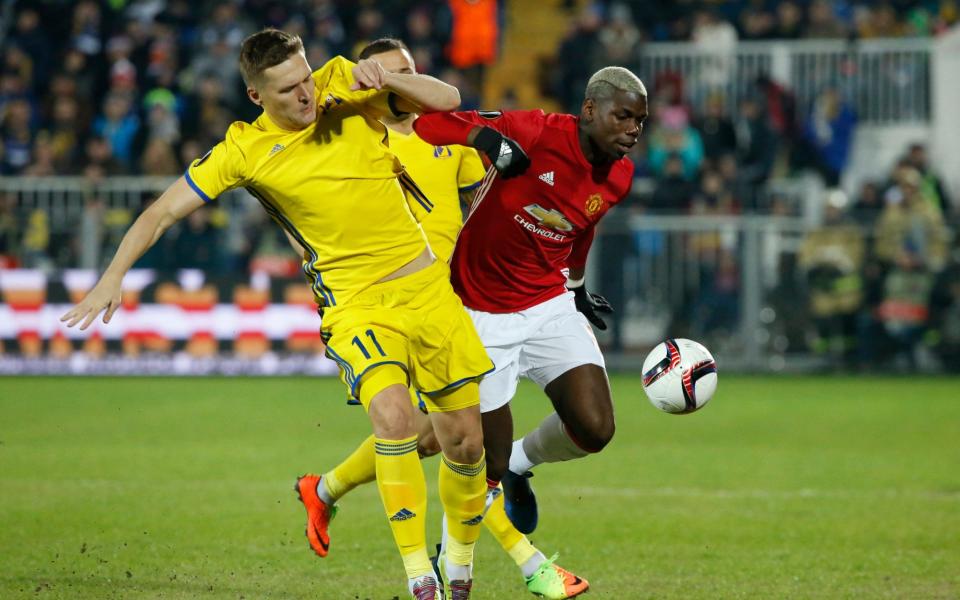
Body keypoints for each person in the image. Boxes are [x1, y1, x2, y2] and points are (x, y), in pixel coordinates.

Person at [60, 28, 491, 600]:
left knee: (463, 443)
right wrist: (111, 276)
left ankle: (459, 570)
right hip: (356, 305)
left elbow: (448, 101)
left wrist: (388, 79)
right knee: (393, 418)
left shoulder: (342, 83)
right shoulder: (243, 151)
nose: (306, 95)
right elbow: (162, 211)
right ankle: (420, 578)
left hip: (427, 288)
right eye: (288, 90)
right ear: (257, 96)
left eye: (306, 78)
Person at [296, 38, 589, 600]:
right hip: (385, 306)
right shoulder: (361, 143)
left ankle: (324, 488)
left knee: (436, 438)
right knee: (444, 438)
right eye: (394, 72)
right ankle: (530, 567)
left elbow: (488, 205)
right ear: (370, 80)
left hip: (445, 304)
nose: (408, 80)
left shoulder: (446, 139)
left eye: (412, 70)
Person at [411, 67, 647, 534]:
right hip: (480, 312)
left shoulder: (620, 176)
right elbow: (427, 126)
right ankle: (450, 556)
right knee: (485, 462)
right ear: (589, 110)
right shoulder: (534, 130)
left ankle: (523, 462)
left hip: (547, 304)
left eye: (640, 121)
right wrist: (486, 140)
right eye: (623, 117)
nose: (633, 131)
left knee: (595, 428)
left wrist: (576, 288)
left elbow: (581, 228)